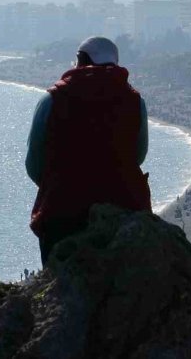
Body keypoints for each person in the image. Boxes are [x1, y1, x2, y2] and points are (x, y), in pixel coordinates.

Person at [25, 36, 150, 266]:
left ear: (81, 60)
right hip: (124, 210)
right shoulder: (134, 102)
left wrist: (58, 183)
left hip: (62, 213)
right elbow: (138, 156)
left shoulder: (51, 100)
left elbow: (34, 165)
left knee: (61, 292)